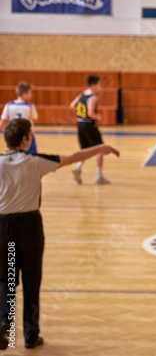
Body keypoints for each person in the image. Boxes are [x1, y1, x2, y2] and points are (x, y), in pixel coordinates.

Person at [0, 118, 119, 350]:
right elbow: (73, 157)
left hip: (4, 227)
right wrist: (101, 148)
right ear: (25, 139)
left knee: (6, 278)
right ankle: (30, 336)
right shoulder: (36, 161)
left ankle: (5, 322)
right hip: (30, 227)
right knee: (32, 281)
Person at [69, 74, 111, 184]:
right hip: (89, 125)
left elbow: (72, 105)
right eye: (99, 85)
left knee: (86, 149)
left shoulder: (82, 94)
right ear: (93, 86)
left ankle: (78, 167)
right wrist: (99, 117)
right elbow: (91, 113)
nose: (101, 87)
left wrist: (80, 115)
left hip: (80, 124)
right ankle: (98, 175)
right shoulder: (92, 98)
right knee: (101, 148)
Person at [0, 82, 38, 154]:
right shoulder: (30, 106)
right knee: (31, 155)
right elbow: (34, 119)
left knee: (13, 153)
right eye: (30, 93)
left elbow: (3, 120)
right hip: (27, 133)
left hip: (13, 134)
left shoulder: (9, 105)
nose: (31, 95)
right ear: (24, 94)